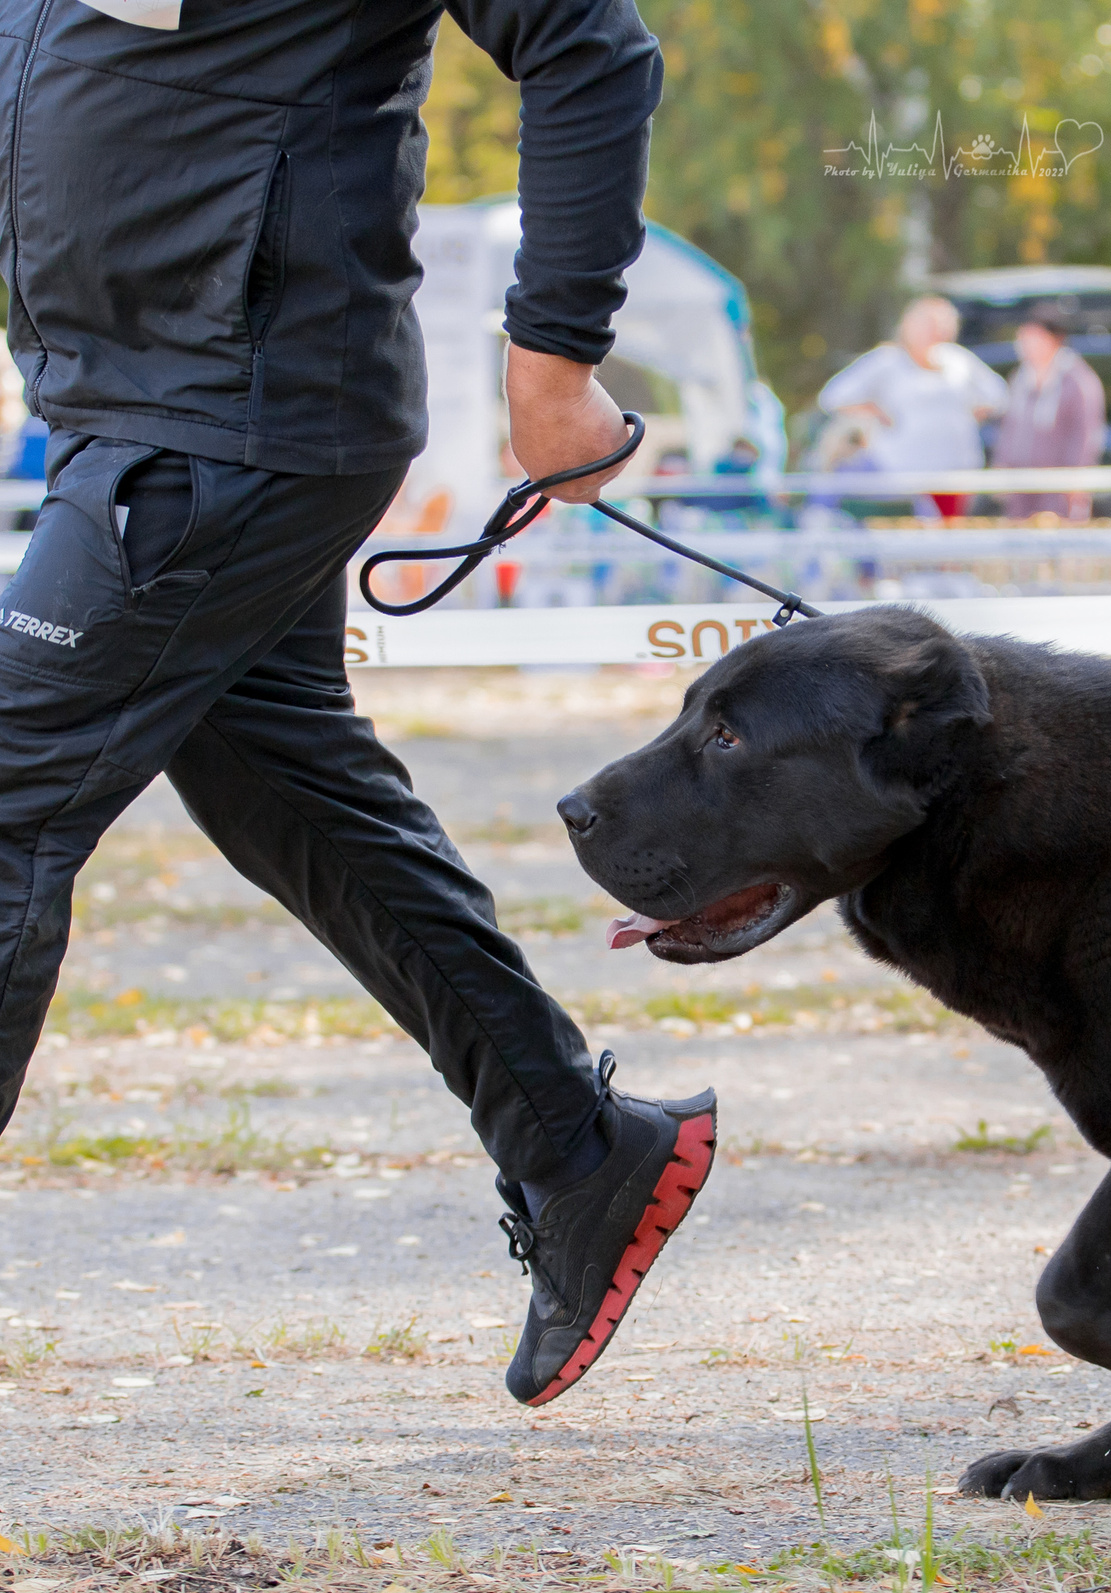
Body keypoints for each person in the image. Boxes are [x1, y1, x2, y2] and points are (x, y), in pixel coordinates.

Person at [0, 0, 718, 1408]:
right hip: (128, 402)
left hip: (225, 412)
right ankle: (577, 1148)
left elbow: (585, 39)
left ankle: (574, 1145)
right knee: (292, 794)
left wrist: (555, 359)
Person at [816, 296, 1006, 519]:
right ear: (908, 325)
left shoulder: (958, 359)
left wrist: (967, 416)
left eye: (942, 324)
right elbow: (833, 396)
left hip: (955, 468)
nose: (935, 330)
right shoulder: (887, 360)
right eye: (928, 323)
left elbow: (998, 395)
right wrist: (876, 411)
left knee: (950, 532)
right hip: (903, 469)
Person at [991, 306, 1106, 521]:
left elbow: (1086, 435)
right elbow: (1009, 429)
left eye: (1033, 338)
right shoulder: (1021, 378)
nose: (1025, 345)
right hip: (1020, 484)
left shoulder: (1078, 381)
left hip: (1058, 487)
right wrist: (1002, 465)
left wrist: (1077, 480)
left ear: (1054, 339)